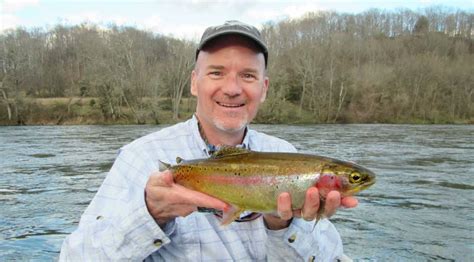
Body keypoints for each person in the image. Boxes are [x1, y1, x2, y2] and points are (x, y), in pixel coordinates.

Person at [59, 20, 357, 261]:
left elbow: (329, 256)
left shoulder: (284, 153)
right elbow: (76, 257)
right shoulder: (141, 157)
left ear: (264, 88)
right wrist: (151, 213)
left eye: (248, 76)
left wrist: (284, 225)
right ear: (193, 82)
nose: (232, 89)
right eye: (216, 73)